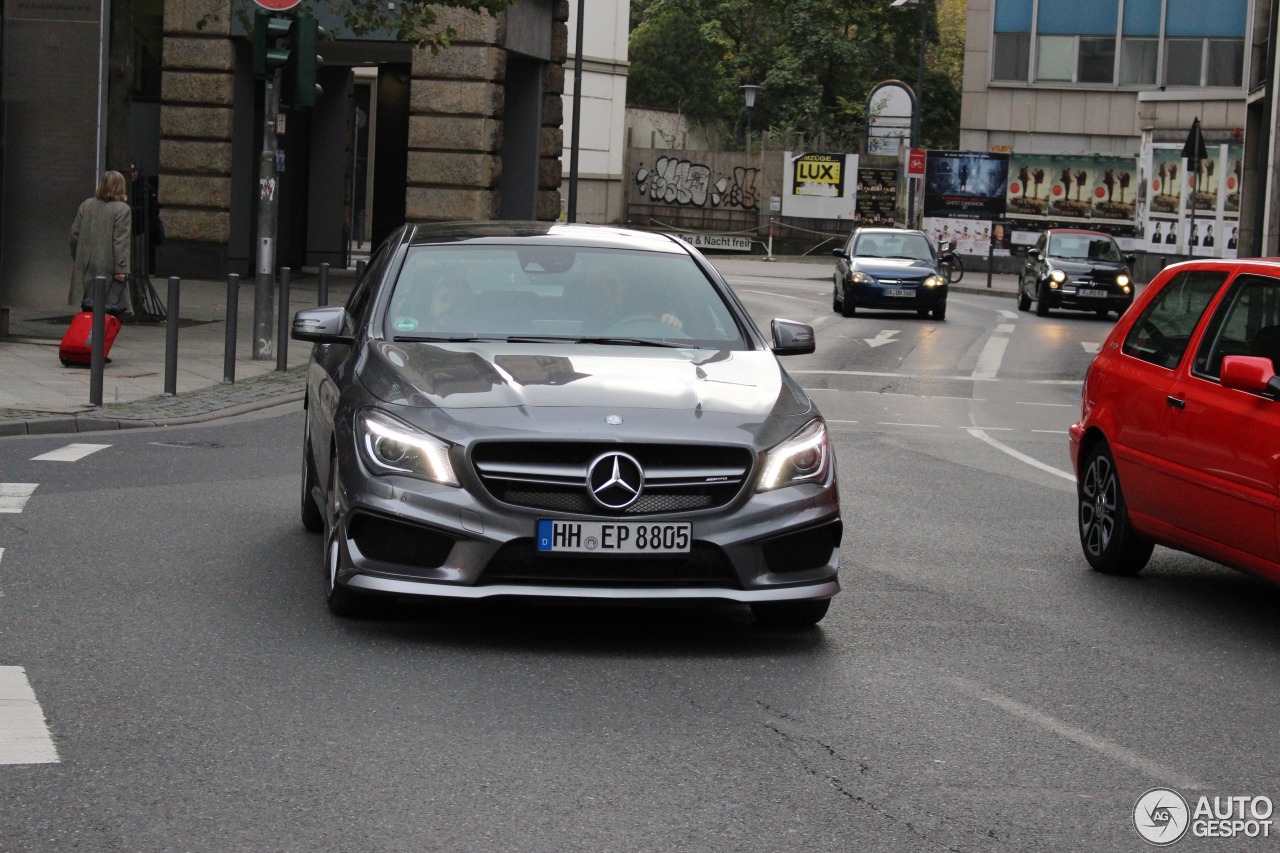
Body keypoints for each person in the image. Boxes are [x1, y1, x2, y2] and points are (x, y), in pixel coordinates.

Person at [69, 171, 131, 307]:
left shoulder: (86, 205)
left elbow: (74, 235)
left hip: (86, 266)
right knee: (107, 311)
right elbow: (120, 241)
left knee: (88, 307)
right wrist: (121, 269)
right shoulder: (122, 209)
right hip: (108, 268)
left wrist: (78, 256)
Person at [130, 162, 162, 273]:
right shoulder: (124, 188)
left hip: (141, 229)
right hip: (129, 228)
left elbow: (153, 210)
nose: (132, 174)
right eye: (130, 172)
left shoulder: (146, 188)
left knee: (140, 261)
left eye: (134, 171)